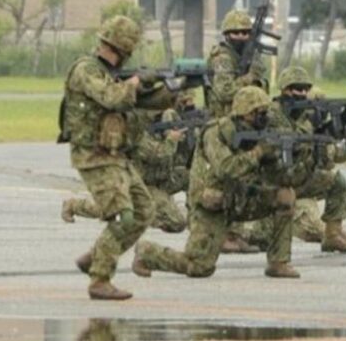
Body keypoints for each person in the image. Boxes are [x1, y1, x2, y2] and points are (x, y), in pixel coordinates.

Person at [132, 86, 303, 280]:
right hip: (211, 205)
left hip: (241, 198)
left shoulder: (260, 133)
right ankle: (147, 252)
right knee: (199, 267)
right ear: (244, 113)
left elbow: (279, 178)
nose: (263, 118)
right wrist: (259, 152)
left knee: (285, 196)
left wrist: (283, 156)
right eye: (258, 113)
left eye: (264, 113)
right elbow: (225, 168)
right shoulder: (216, 132)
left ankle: (278, 262)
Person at [60, 15, 174, 300]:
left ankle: (96, 256)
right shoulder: (86, 71)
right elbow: (114, 98)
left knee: (144, 211)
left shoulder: (113, 75)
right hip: (93, 157)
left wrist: (171, 89)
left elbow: (140, 104)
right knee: (123, 216)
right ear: (119, 47)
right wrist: (136, 82)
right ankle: (99, 278)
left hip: (116, 156)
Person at [248, 66, 346, 253]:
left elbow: (319, 143)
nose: (300, 93)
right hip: (273, 181)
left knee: (336, 181)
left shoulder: (302, 114)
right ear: (284, 89)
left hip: (298, 176)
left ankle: (333, 235)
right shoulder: (272, 113)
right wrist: (312, 123)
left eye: (304, 90)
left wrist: (337, 125)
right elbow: (289, 139)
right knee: (262, 239)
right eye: (295, 89)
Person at [61, 104, 191, 234]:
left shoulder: (159, 132)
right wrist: (171, 140)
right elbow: (158, 155)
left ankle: (194, 216)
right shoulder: (139, 135)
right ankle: (74, 206)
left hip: (161, 179)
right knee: (176, 223)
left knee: (191, 177)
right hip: (143, 186)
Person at [204, 9, 269, 253]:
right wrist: (247, 79)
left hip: (244, 124)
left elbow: (260, 88)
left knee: (244, 178)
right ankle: (223, 234)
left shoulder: (250, 57)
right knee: (225, 179)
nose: (242, 36)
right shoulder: (222, 57)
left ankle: (235, 232)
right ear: (227, 34)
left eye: (246, 32)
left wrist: (256, 77)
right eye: (237, 33)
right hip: (222, 126)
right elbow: (223, 91)